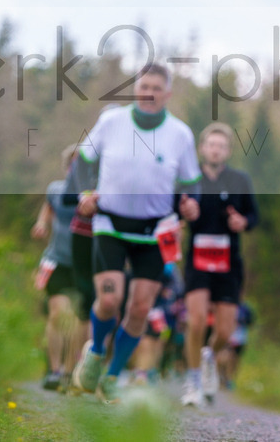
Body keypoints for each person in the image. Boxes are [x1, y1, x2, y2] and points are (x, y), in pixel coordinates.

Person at [69, 63, 202, 404]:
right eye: (144, 86)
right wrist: (85, 194)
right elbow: (82, 161)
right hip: (110, 224)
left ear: (167, 94)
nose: (149, 92)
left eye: (157, 87)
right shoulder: (112, 122)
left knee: (140, 309)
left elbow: (191, 183)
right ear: (135, 89)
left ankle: (112, 376)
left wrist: (191, 204)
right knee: (109, 301)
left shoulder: (180, 134)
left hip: (155, 232)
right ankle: (96, 352)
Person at [180, 122, 259, 407]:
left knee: (225, 331)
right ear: (202, 149)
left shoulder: (239, 180)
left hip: (229, 261)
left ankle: (208, 357)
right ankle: (192, 381)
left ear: (228, 151)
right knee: (197, 319)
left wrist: (243, 222)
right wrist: (185, 211)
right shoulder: (190, 179)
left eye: (221, 146)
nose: (216, 150)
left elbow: (254, 216)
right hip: (198, 258)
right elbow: (173, 210)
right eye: (211, 145)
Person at [31, 144, 89, 392]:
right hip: (56, 260)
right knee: (57, 314)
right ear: (67, 167)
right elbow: (47, 210)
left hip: (83, 263)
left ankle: (68, 370)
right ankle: (54, 370)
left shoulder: (95, 195)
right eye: (74, 163)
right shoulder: (55, 190)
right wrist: (42, 224)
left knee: (76, 320)